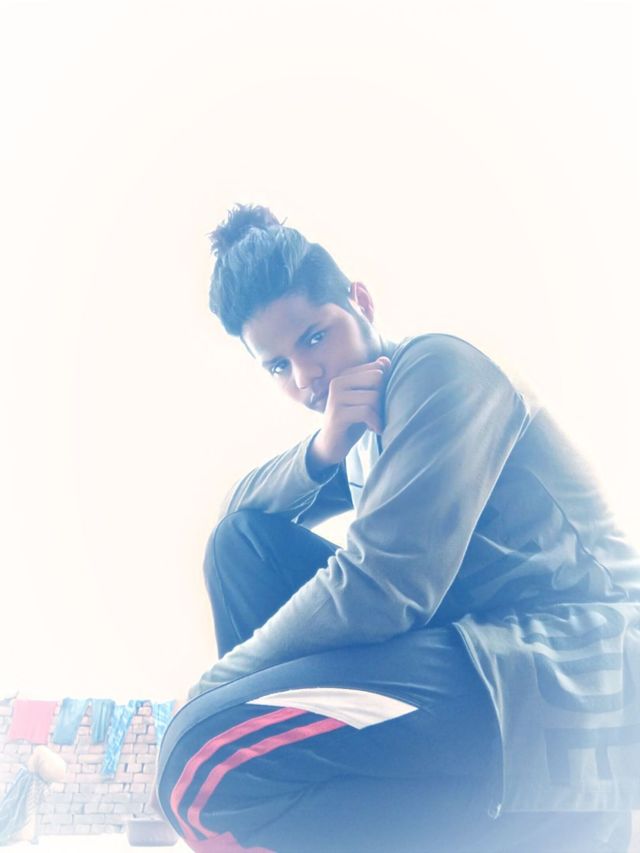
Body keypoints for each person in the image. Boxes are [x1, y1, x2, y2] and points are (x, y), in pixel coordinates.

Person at [155, 204, 640, 853]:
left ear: (360, 301)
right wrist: (322, 451)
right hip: (469, 656)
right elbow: (235, 514)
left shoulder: (442, 369)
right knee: (240, 546)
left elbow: (381, 589)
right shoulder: (357, 429)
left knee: (200, 764)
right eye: (277, 366)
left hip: (561, 671)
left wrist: (215, 691)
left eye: (314, 338)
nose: (304, 377)